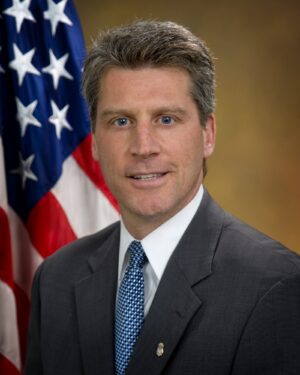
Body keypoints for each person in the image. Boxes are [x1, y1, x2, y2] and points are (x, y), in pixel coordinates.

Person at [25, 20, 300, 375]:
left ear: (207, 135)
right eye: (121, 121)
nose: (143, 147)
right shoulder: (56, 279)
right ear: (94, 140)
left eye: (166, 119)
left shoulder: (276, 286)